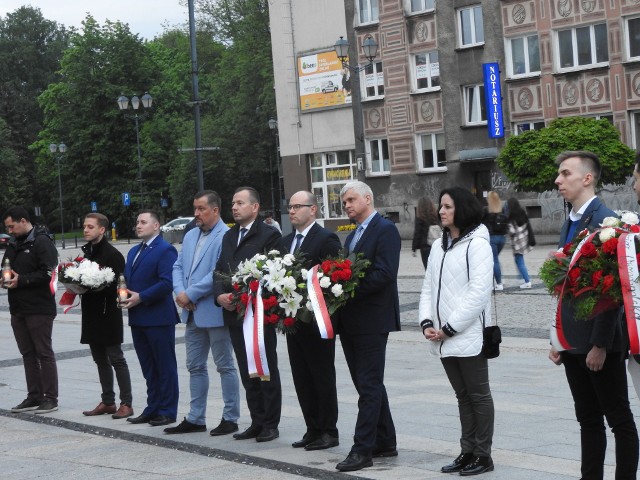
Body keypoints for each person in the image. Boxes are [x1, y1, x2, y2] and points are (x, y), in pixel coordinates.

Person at [549, 151, 638, 479]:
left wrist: (600, 344)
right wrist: (557, 336)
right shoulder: (570, 221)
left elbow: (612, 291)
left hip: (601, 344)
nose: (558, 180)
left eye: (565, 174)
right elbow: (564, 287)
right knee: (587, 418)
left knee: (619, 420)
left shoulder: (607, 222)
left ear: (587, 178)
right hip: (573, 340)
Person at [419, 187, 495, 476]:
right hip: (441, 335)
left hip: (467, 333)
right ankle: (467, 451)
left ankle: (483, 455)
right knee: (462, 395)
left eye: (447, 207)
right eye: (441, 206)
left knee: (478, 395)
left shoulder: (478, 244)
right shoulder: (440, 244)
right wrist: (427, 322)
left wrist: (450, 328)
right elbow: (429, 286)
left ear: (461, 208)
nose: (441, 211)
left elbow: (479, 292)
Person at [334, 181, 400, 472]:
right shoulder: (353, 236)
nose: (346, 205)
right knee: (367, 383)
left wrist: (346, 289)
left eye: (350, 200)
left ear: (367, 198)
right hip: (353, 321)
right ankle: (385, 440)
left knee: (369, 385)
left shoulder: (384, 229)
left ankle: (362, 450)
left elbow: (385, 273)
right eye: (343, 202)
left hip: (373, 320)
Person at [165, 191, 240, 436]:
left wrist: (191, 294)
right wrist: (180, 292)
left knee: (225, 365)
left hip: (213, 311)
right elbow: (177, 265)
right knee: (194, 366)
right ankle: (196, 418)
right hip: (191, 312)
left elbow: (219, 273)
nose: (195, 213)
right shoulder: (190, 235)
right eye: (195, 208)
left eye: (200, 209)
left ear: (215, 210)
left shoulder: (227, 235)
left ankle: (230, 417)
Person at [214, 187, 282, 443]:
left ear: (254, 207)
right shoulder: (229, 236)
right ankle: (257, 420)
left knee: (264, 369)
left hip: (258, 315)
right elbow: (219, 269)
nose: (234, 207)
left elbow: (274, 273)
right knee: (246, 370)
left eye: (240, 203)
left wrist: (247, 295)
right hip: (234, 313)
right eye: (233, 203)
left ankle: (271, 424)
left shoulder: (269, 235)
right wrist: (219, 295)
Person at [281, 191, 341, 450]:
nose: (292, 211)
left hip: (318, 322)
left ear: (313, 209)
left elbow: (333, 279)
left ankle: (328, 430)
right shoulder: (285, 242)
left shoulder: (326, 239)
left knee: (321, 376)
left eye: (297, 206)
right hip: (293, 323)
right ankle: (312, 428)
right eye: (290, 207)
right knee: (301, 377)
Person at [120, 210, 180, 427]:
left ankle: (167, 410)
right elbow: (127, 280)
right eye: (137, 222)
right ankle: (152, 407)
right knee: (148, 367)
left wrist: (141, 297)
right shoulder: (134, 251)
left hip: (158, 317)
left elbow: (167, 283)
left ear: (156, 226)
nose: (138, 225)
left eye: (143, 222)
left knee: (164, 366)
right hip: (138, 317)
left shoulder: (165, 250)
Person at [1, 206, 59, 414]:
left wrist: (22, 280)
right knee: (27, 353)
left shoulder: (42, 241)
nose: (9, 231)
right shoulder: (13, 243)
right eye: (7, 227)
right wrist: (4, 278)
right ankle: (34, 395)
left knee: (43, 352)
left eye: (11, 226)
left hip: (39, 307)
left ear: (23, 220)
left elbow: (48, 273)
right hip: (18, 307)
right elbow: (6, 266)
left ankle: (50, 398)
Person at [80, 213, 133, 419]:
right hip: (92, 313)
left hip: (108, 313)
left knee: (116, 358)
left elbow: (120, 285)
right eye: (84, 226)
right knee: (99, 359)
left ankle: (126, 403)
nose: (85, 230)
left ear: (102, 230)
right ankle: (108, 401)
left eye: (90, 227)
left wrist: (95, 286)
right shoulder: (87, 252)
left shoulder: (112, 254)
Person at [481, 191, 508, 290]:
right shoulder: (502, 210)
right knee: (495, 259)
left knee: (493, 260)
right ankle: (499, 279)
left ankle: (499, 283)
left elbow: (481, 222)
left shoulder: (486, 211)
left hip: (492, 238)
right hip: (502, 238)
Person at [506, 198, 533, 289]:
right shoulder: (522, 213)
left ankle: (527, 281)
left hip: (517, 243)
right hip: (523, 241)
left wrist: (507, 228)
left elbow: (512, 231)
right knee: (518, 260)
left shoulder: (511, 217)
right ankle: (522, 276)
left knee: (520, 262)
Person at [411, 196, 438, 269]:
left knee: (428, 268)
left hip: (425, 246)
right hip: (437, 245)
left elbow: (417, 233)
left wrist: (414, 249)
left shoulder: (420, 217)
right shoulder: (436, 216)